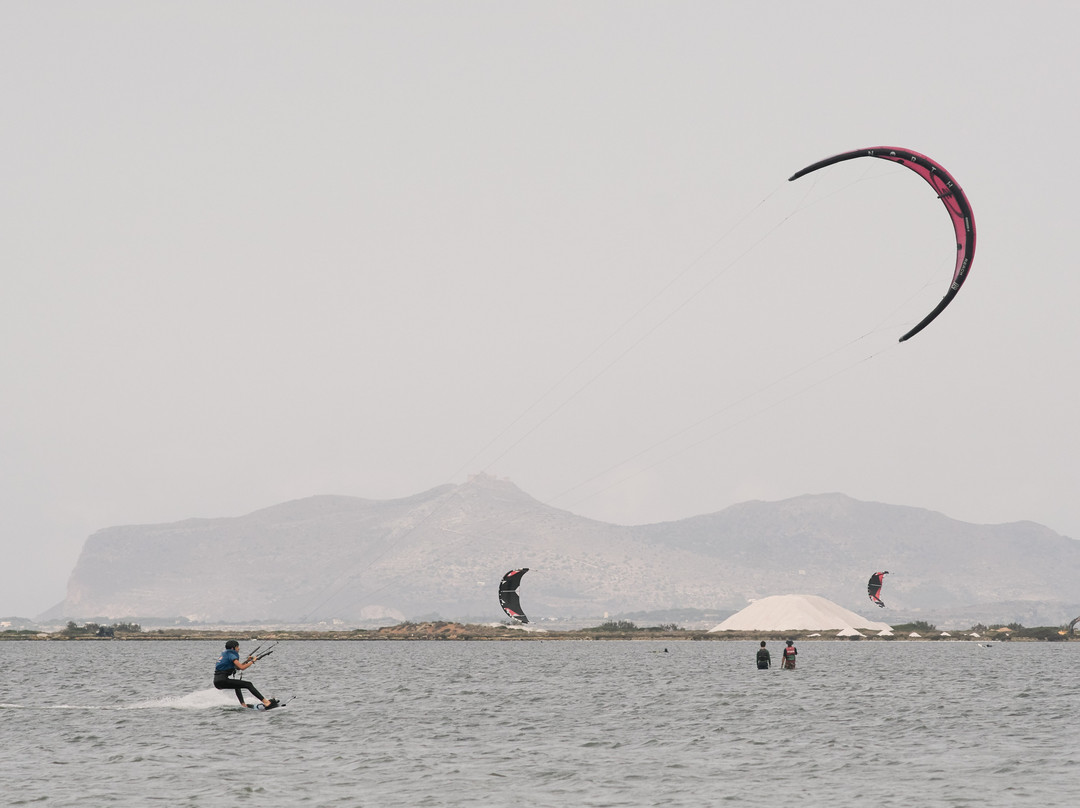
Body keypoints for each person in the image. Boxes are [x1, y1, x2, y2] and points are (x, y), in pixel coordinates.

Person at [213, 640, 276, 708]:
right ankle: (266, 702)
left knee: (237, 686)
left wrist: (248, 661)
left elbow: (238, 667)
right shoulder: (231, 655)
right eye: (237, 647)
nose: (239, 648)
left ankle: (243, 705)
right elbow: (242, 667)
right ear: (232, 648)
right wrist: (252, 661)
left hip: (217, 682)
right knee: (249, 684)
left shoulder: (225, 654)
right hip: (223, 680)